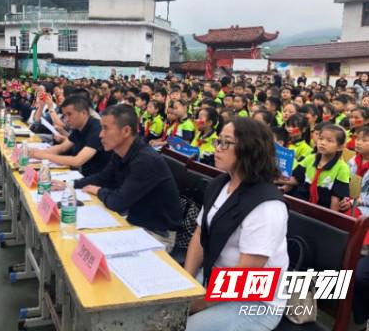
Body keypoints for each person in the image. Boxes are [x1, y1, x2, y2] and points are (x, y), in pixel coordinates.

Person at [184, 118, 288, 331]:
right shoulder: (220, 184)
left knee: (181, 325)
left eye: (226, 143)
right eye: (218, 141)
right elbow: (200, 235)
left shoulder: (267, 205)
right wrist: (186, 282)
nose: (217, 148)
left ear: (249, 149)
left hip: (254, 301)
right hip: (215, 277)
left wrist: (195, 305)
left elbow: (246, 275)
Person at [55, 104, 182, 250]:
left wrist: (98, 191)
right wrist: (70, 184)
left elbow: (118, 201)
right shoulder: (120, 153)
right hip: (134, 220)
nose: (100, 135)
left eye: (106, 128)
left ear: (126, 131)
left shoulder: (145, 161)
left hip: (157, 234)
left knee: (88, 247)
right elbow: (102, 178)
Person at [29, 95, 110, 176]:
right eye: (65, 115)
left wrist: (45, 156)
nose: (67, 119)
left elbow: (77, 161)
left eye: (69, 114)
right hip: (82, 174)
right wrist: (36, 153)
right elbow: (61, 148)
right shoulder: (78, 127)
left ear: (83, 113)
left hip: (95, 178)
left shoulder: (96, 128)